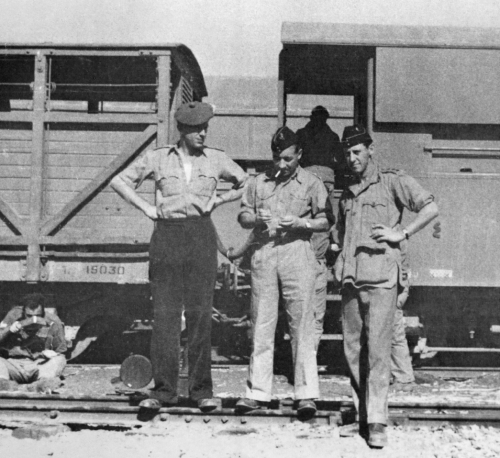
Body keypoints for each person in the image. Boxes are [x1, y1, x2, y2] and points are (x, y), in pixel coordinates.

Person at [110, 101, 247, 412]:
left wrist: (221, 199)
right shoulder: (159, 159)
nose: (203, 133)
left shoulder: (216, 159)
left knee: (201, 315)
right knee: (166, 317)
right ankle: (164, 392)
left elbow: (246, 182)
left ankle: (201, 392)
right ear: (183, 131)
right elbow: (119, 181)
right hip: (167, 237)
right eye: (197, 128)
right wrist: (147, 209)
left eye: (205, 128)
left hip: (201, 235)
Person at [335, 125, 438, 448]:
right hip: (351, 279)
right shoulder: (348, 190)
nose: (352, 159)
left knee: (378, 352)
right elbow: (342, 234)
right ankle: (361, 415)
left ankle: (377, 421)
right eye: (347, 153)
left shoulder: (393, 181)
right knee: (353, 350)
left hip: (381, 278)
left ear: (370, 150)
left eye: (357, 152)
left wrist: (401, 234)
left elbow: (431, 207)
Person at [236, 126, 331, 415]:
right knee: (262, 325)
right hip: (265, 253)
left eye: (288, 158)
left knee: (301, 326)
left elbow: (325, 222)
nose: (282, 164)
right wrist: (254, 218)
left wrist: (302, 224)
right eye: (277, 158)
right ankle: (257, 393)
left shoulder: (313, 183)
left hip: (297, 252)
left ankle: (306, 394)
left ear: (299, 155)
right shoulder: (258, 182)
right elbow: (242, 216)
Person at [0, 293, 67, 388]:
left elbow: (61, 350)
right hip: (14, 365)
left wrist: (51, 353)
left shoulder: (53, 321)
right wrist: (9, 330)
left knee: (60, 359)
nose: (33, 319)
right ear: (23, 312)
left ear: (43, 312)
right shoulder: (13, 316)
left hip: (39, 366)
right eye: (29, 315)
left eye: (38, 315)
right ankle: (4, 384)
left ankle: (42, 384)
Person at [304, 165, 336, 351]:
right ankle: (304, 363)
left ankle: (307, 361)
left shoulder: (328, 214)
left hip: (318, 266)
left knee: (316, 317)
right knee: (309, 318)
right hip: (304, 265)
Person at [296, 105, 341, 170]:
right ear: (311, 118)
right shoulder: (301, 134)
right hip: (304, 173)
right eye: (316, 117)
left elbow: (340, 159)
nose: (319, 121)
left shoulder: (333, 137)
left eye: (321, 118)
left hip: (325, 175)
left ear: (325, 119)